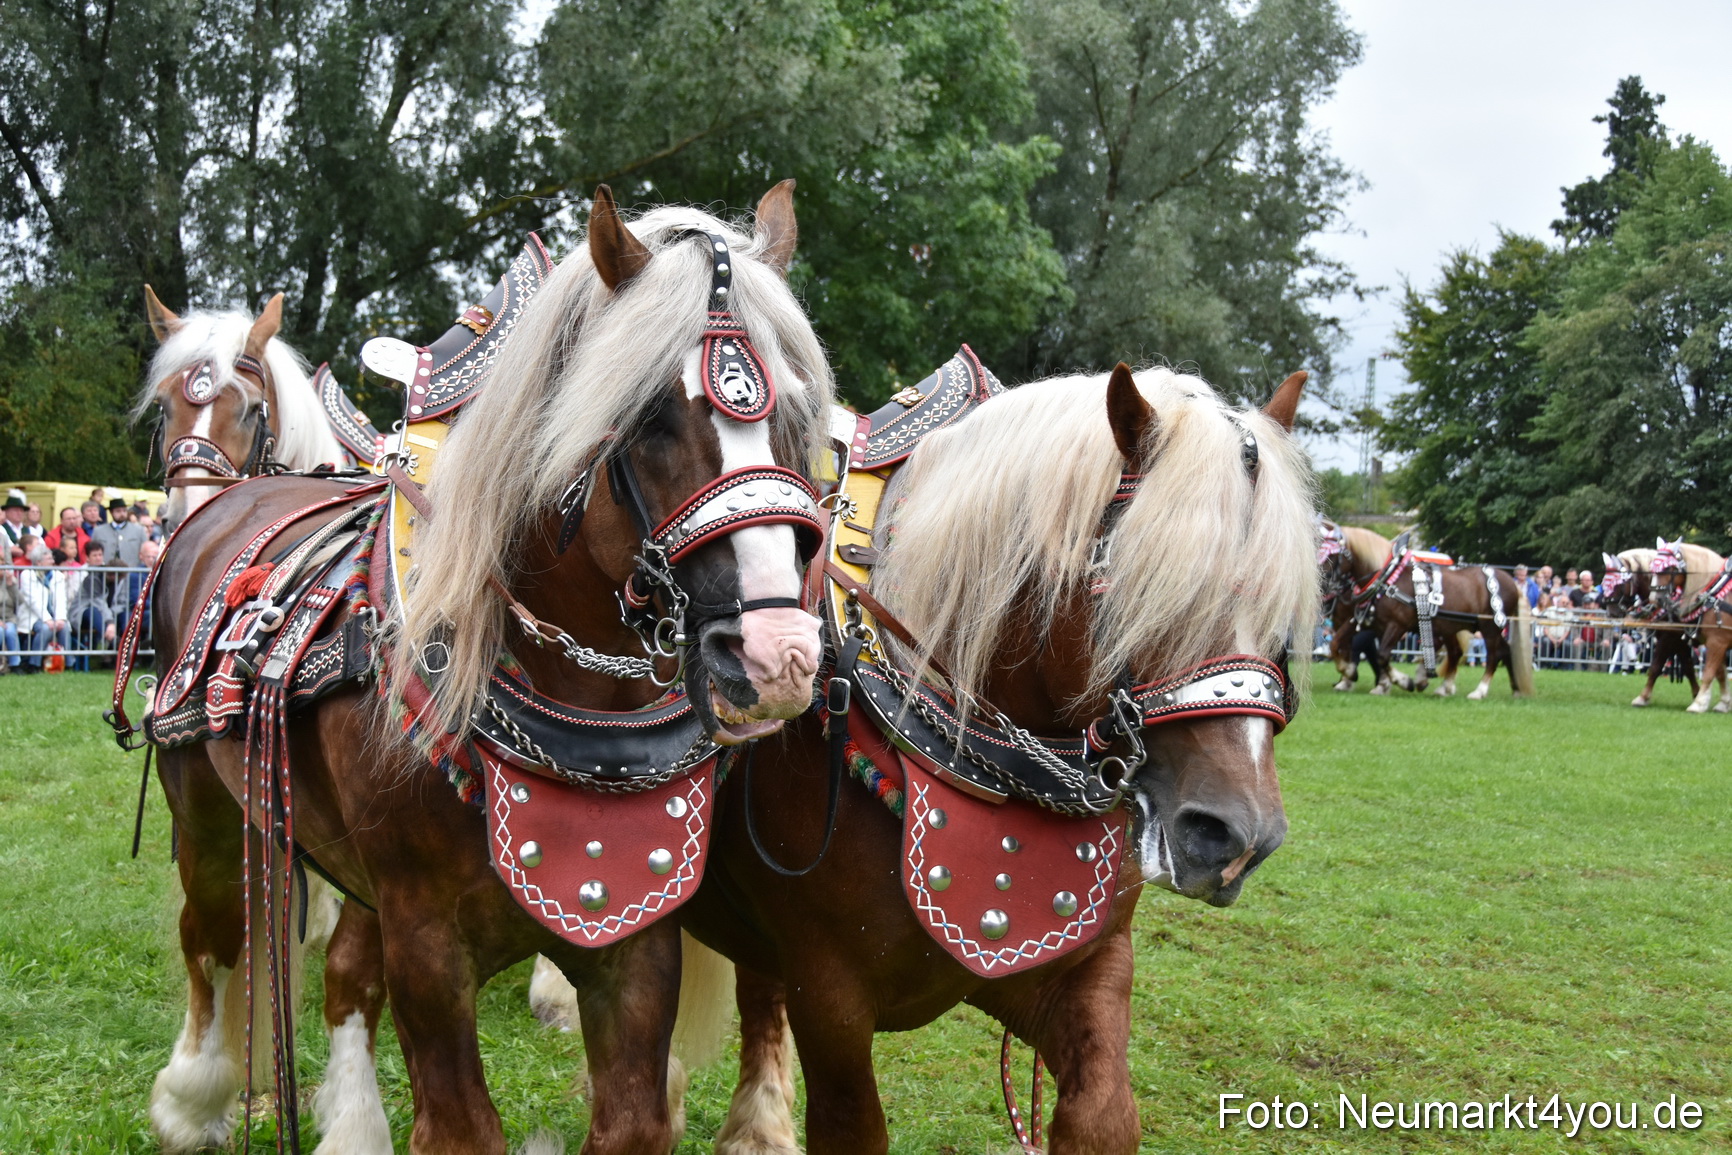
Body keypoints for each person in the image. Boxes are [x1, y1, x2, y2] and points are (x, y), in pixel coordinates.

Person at [15, 546, 70, 672]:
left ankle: (68, 663)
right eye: (49, 559)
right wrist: (47, 619)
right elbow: (33, 601)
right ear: (39, 562)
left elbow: (61, 599)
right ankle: (34, 664)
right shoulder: (27, 575)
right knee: (46, 628)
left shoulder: (58, 575)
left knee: (65, 627)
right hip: (33, 615)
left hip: (53, 615)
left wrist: (60, 618)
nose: (52, 561)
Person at [67, 543, 116, 670]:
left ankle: (117, 646)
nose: (98, 558)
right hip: (80, 612)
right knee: (93, 611)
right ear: (87, 558)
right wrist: (110, 622)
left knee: (119, 613)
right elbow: (97, 601)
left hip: (100, 611)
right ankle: (112, 641)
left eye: (100, 555)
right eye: (95, 555)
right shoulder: (85, 575)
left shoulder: (106, 572)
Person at [112, 538, 160, 647]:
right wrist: (158, 607)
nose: (152, 560)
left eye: (155, 557)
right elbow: (137, 599)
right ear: (141, 556)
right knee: (157, 617)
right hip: (134, 611)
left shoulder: (161, 572)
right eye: (149, 557)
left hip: (149, 610)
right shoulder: (135, 575)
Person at [91, 499, 147, 568]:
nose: (122, 514)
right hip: (106, 571)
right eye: (118, 511)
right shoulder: (99, 531)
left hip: (131, 570)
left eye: (124, 510)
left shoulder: (139, 530)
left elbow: (146, 551)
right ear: (111, 512)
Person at [0, 551, 22, 673]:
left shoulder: (9, 580)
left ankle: (15, 664)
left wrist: (11, 585)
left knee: (10, 631)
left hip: (8, 618)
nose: (2, 569)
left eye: (3, 565)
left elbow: (19, 601)